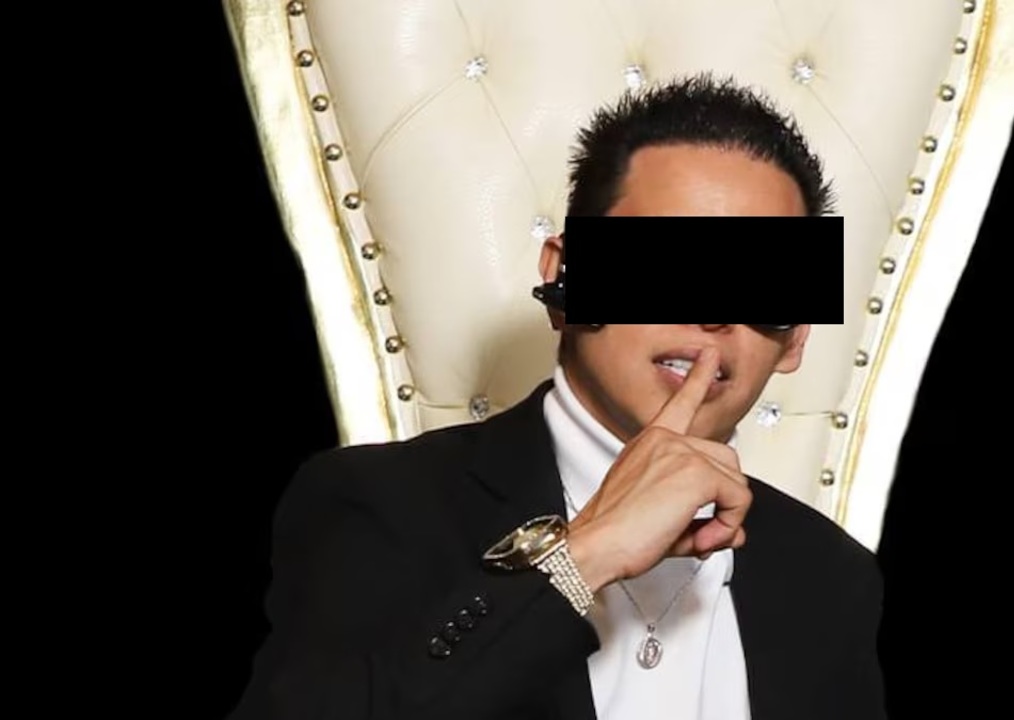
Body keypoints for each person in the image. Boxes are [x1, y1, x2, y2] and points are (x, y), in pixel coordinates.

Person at [231, 74, 886, 720]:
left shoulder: (832, 578)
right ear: (564, 280)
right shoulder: (377, 504)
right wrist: (583, 557)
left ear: (795, 338)